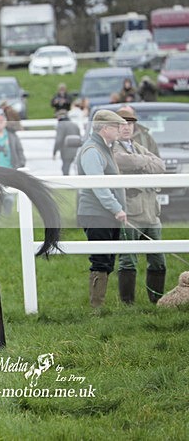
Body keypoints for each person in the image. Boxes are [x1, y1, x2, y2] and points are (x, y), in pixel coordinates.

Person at [112, 106, 167, 304]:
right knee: (128, 260)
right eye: (122, 124)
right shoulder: (112, 148)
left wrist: (140, 161)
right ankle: (128, 304)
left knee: (158, 259)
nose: (127, 127)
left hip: (151, 213)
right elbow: (122, 162)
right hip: (131, 212)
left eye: (130, 123)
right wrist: (145, 162)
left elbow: (160, 165)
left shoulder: (137, 146)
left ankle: (156, 301)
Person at [76, 109, 128, 309]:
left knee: (107, 260)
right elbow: (98, 186)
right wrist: (116, 208)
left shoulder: (104, 147)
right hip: (96, 214)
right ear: (105, 128)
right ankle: (96, 308)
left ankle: (99, 305)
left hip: (106, 214)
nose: (120, 130)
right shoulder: (92, 150)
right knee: (100, 260)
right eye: (116, 127)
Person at [53, 110, 82, 175]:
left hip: (66, 151)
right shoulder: (75, 125)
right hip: (77, 151)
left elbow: (58, 140)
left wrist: (54, 152)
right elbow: (79, 138)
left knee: (65, 168)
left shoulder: (61, 125)